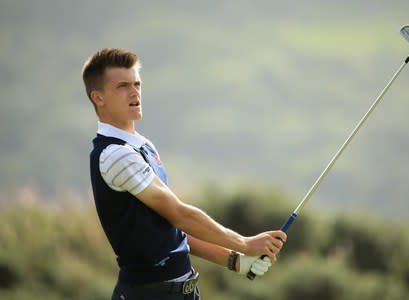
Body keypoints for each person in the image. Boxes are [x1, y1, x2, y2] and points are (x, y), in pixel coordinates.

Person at [82, 48, 287, 300]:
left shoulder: (142, 145)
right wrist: (244, 243)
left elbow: (170, 230)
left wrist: (235, 261)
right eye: (123, 86)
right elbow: (179, 214)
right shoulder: (116, 155)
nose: (135, 92)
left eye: (137, 84)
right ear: (98, 98)